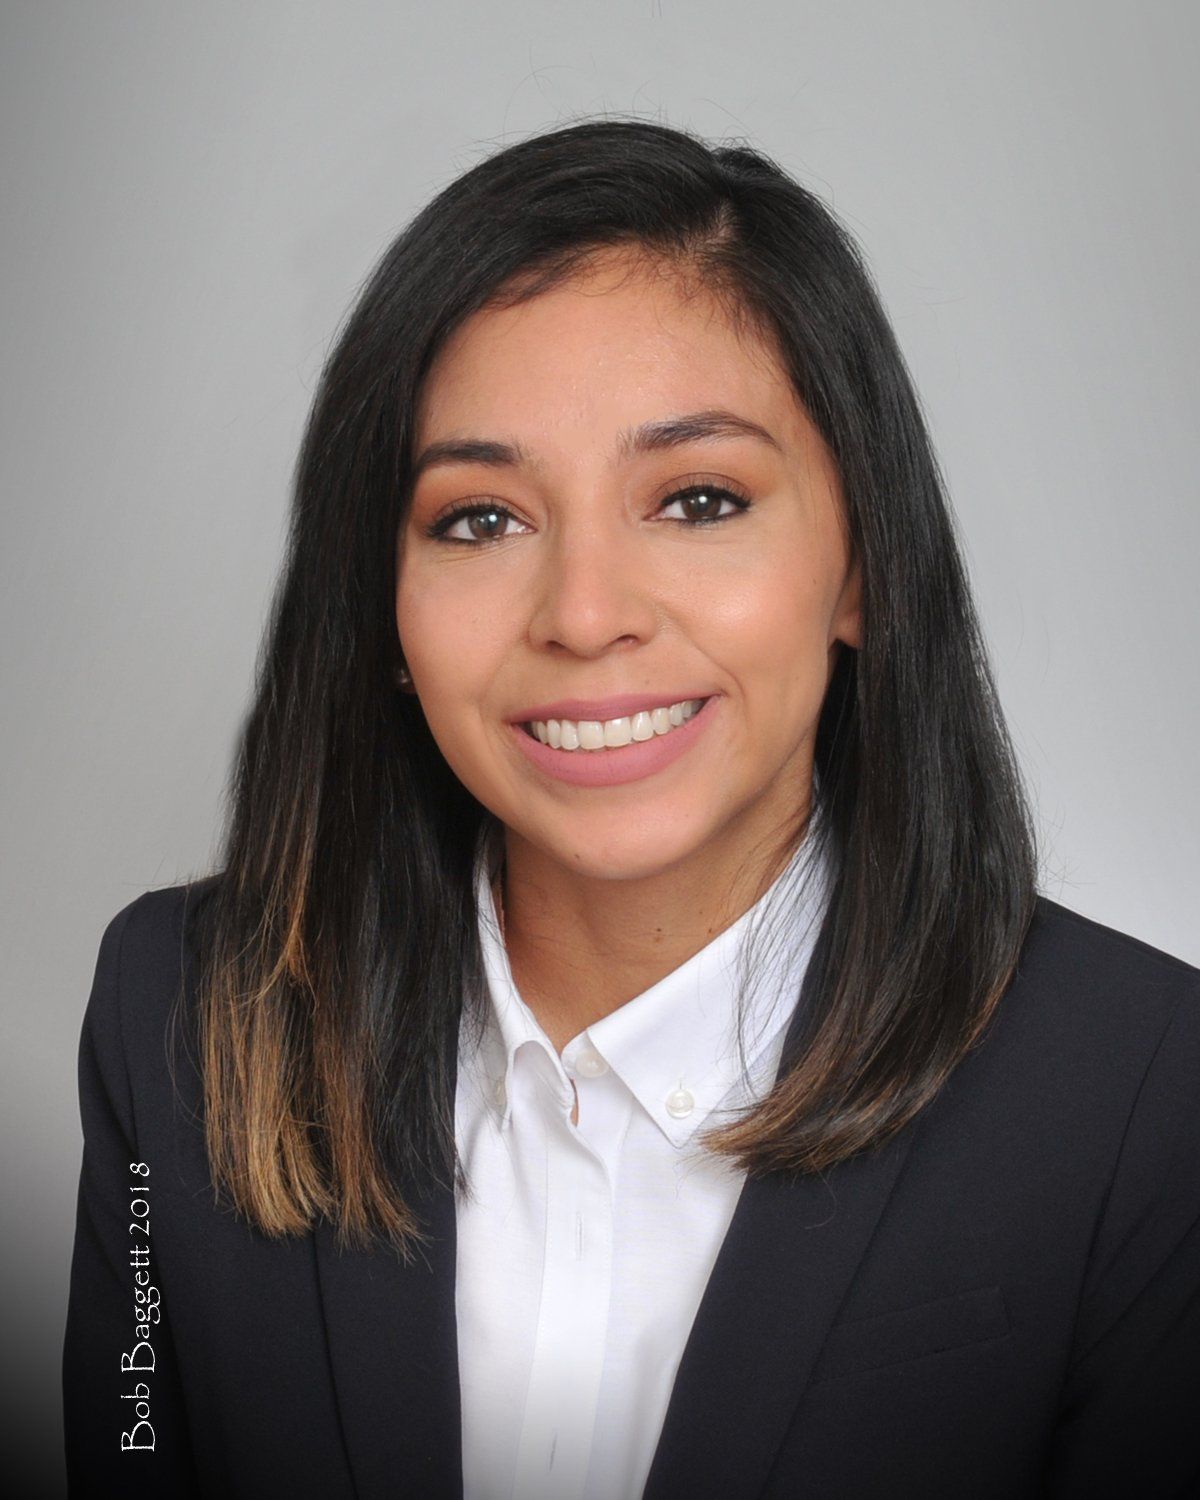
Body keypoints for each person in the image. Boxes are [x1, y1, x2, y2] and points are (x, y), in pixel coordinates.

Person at [62, 117, 1200, 1499]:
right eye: (480, 519)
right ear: (383, 613)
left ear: (861, 572)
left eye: (699, 498)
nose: (587, 616)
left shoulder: (1151, 1095)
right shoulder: (179, 1010)